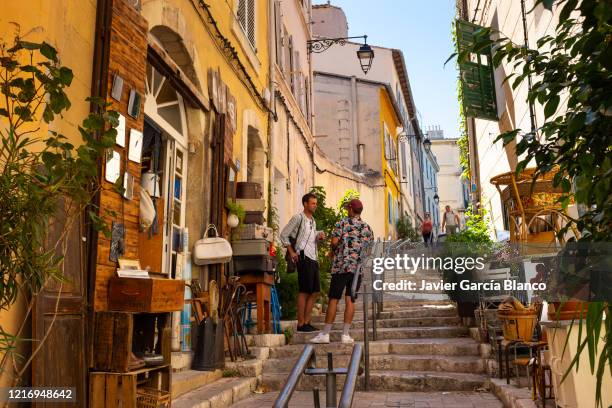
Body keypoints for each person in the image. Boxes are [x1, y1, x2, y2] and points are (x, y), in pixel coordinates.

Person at [310, 199, 373, 344]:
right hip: (357, 269)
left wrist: (333, 251)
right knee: (350, 299)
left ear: (351, 209)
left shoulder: (342, 223)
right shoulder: (367, 228)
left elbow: (334, 242)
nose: (347, 211)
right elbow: (369, 250)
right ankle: (345, 334)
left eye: (348, 208)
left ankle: (325, 334)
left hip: (341, 266)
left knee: (334, 299)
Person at [280, 193, 325, 332]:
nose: (315, 206)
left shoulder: (313, 221)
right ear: (305, 204)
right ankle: (300, 324)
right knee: (305, 291)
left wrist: (319, 236)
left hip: (313, 258)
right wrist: (292, 252)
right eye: (313, 203)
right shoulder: (298, 218)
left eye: (316, 203)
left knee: (315, 292)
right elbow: (283, 234)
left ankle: (307, 321)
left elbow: (310, 238)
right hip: (303, 258)